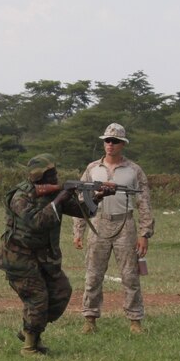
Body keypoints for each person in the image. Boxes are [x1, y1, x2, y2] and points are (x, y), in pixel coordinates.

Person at [0, 154, 113, 356]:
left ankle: (30, 330)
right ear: (40, 176)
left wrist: (98, 196)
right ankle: (29, 347)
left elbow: (81, 210)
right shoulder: (21, 196)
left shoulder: (52, 194)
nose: (55, 178)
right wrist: (60, 197)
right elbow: (36, 221)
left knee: (61, 292)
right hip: (19, 257)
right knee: (38, 298)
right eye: (52, 175)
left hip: (43, 257)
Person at [72, 123, 155, 334]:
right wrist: (78, 231)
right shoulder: (92, 168)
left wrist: (144, 234)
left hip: (125, 224)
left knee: (130, 275)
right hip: (97, 222)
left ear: (122, 144)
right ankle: (89, 319)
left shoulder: (134, 170)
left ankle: (135, 320)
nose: (110, 145)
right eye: (107, 140)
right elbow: (81, 201)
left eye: (115, 141)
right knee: (93, 275)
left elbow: (144, 203)